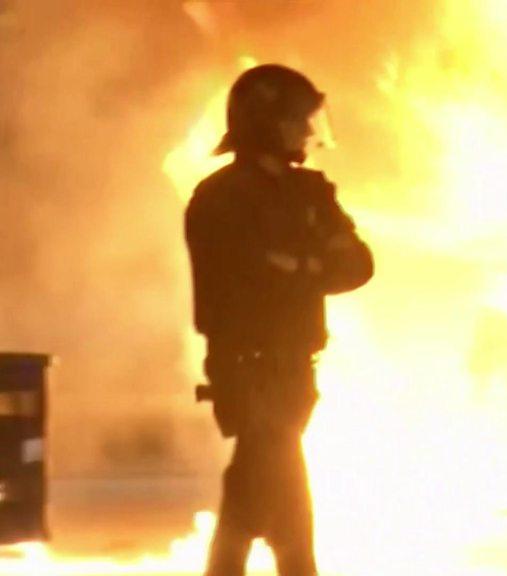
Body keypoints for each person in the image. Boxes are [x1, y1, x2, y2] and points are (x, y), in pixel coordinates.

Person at [184, 64, 374, 576]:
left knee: (252, 497)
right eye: (296, 120)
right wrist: (311, 264)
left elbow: (357, 265)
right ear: (265, 123)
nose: (308, 132)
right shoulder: (220, 199)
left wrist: (300, 265)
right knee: (286, 505)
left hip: (295, 370)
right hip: (247, 371)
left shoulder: (310, 192)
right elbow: (250, 278)